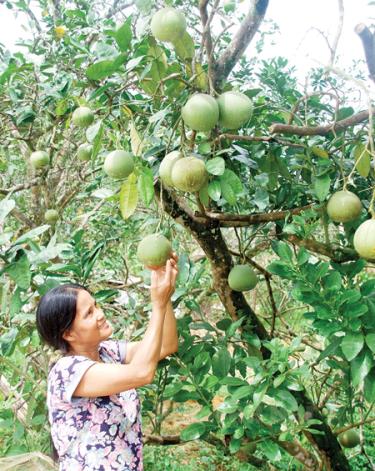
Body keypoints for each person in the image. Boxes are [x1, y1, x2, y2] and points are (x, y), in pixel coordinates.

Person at [35, 254, 179, 471]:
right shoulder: (67, 372)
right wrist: (157, 305)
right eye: (89, 313)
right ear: (68, 334)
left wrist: (164, 292)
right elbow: (141, 373)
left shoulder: (108, 352)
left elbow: (166, 345)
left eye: (96, 305)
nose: (101, 315)